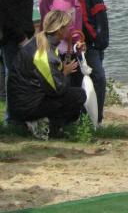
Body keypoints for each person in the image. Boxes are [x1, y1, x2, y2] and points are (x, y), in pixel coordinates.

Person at [7, 9, 86, 139]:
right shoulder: (43, 54)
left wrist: (65, 67)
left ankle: (44, 123)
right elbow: (57, 90)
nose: (69, 30)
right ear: (59, 30)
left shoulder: (40, 41)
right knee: (79, 95)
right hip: (25, 107)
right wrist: (65, 73)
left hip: (21, 103)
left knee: (70, 92)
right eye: (67, 27)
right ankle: (50, 129)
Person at [0, 0, 49, 122]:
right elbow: (6, 11)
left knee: (16, 76)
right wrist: (21, 37)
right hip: (13, 38)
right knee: (14, 77)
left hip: (16, 36)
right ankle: (13, 119)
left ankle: (15, 117)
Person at [71, 0, 109, 124]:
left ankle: (91, 120)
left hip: (96, 44)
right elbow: (84, 19)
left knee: (94, 81)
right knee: (98, 80)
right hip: (90, 45)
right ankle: (93, 122)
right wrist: (96, 40)